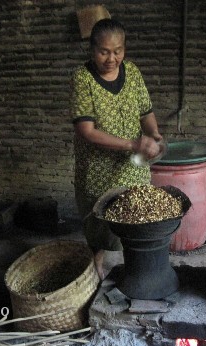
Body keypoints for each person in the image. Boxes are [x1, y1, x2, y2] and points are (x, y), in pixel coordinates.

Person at [70, 18, 164, 278]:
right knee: (99, 221)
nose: (111, 58)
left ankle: (136, 266)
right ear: (92, 49)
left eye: (118, 51)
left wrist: (153, 134)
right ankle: (96, 264)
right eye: (104, 51)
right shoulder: (82, 79)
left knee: (135, 215)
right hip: (98, 168)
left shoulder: (132, 71)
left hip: (132, 165)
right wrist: (133, 143)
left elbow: (145, 110)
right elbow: (85, 130)